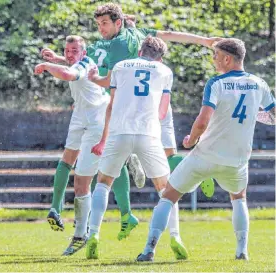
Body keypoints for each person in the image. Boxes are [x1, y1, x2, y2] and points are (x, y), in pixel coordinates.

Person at [42, 2, 220, 240]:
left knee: (113, 169)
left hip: (134, 112)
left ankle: (94, 229)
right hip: (157, 105)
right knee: (166, 161)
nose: (100, 29)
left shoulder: (108, 47)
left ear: (118, 22)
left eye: (104, 23)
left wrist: (65, 68)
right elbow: (169, 35)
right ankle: (193, 175)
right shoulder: (137, 35)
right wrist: (205, 41)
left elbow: (87, 71)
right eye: (98, 24)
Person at [136, 38, 276, 262]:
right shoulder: (259, 84)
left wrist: (190, 140)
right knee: (239, 198)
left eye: (216, 56)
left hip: (205, 155)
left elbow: (203, 121)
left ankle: (149, 249)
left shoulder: (217, 83)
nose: (213, 61)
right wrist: (257, 116)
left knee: (168, 196)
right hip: (237, 160)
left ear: (228, 59)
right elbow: (274, 115)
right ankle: (242, 252)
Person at [85, 36, 187, 260]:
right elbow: (162, 112)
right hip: (148, 133)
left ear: (140, 51)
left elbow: (111, 104)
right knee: (167, 190)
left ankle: (93, 234)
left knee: (103, 183)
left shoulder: (121, 66)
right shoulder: (164, 71)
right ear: (159, 58)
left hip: (119, 132)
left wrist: (104, 138)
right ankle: (175, 236)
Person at [35, 35, 109, 255]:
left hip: (96, 122)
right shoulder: (78, 60)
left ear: (83, 52)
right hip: (80, 115)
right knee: (66, 161)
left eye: (74, 50)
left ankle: (80, 234)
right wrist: (57, 58)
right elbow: (69, 64)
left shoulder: (85, 64)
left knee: (81, 183)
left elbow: (69, 73)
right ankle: (56, 208)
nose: (69, 54)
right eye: (67, 50)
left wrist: (48, 65)